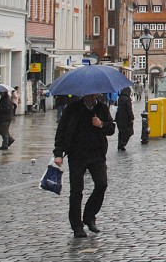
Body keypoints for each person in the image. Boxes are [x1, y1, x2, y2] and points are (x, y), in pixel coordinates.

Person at [53, 93, 116, 238]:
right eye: (89, 94)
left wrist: (101, 124)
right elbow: (61, 130)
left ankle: (89, 215)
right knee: (76, 191)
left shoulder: (102, 108)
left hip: (97, 154)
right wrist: (58, 153)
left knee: (102, 184)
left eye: (94, 94)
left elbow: (111, 129)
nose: (92, 96)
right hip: (77, 155)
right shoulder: (72, 108)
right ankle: (77, 226)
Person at [115, 87, 135, 152]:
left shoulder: (120, 98)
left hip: (119, 118)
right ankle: (122, 145)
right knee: (128, 132)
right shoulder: (127, 100)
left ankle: (119, 145)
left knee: (121, 132)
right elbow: (129, 110)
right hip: (126, 119)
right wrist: (132, 117)